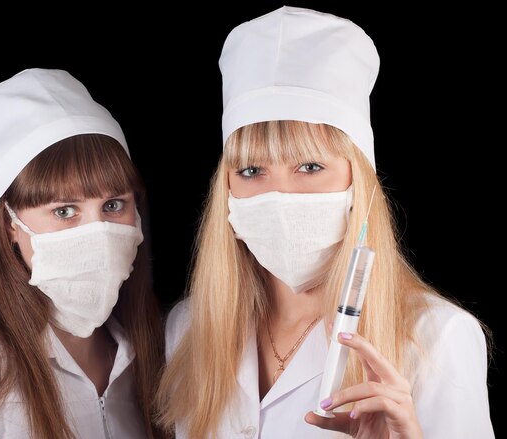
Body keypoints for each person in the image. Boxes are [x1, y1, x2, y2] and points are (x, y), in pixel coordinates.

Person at [156, 6, 494, 439]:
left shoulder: (436, 340)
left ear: (359, 180)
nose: (280, 197)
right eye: (251, 171)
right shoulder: (188, 328)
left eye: (310, 166)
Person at [0, 68, 166, 438]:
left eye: (114, 205)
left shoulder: (153, 346)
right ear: (11, 225)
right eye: (64, 211)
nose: (97, 231)